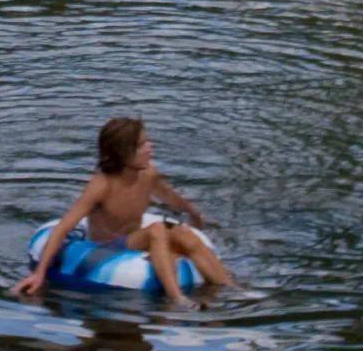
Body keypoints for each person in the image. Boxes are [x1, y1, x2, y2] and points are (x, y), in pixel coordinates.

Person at [14, 113, 232, 300]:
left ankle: (233, 290)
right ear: (123, 153)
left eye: (147, 142)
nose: (150, 148)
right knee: (158, 230)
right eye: (141, 145)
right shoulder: (102, 185)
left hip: (135, 238)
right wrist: (39, 274)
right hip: (105, 248)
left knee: (185, 235)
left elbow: (170, 197)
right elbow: (63, 228)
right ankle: (177, 300)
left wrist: (194, 215)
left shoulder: (148, 174)